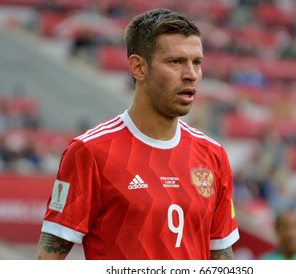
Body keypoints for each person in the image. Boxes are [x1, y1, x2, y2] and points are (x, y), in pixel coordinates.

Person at [36, 8, 239, 260]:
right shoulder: (91, 151)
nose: (191, 75)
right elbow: (48, 261)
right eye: (175, 61)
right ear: (138, 67)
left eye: (196, 62)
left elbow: (222, 256)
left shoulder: (213, 155)